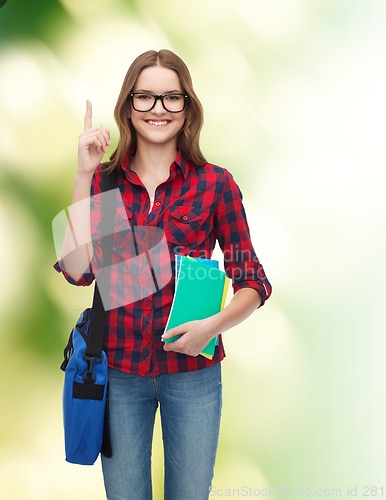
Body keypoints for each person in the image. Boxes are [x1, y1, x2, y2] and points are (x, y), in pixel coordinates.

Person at [54, 49, 272, 500]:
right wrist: (83, 171)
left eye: (171, 98)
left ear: (187, 107)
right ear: (127, 107)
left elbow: (252, 280)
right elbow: (78, 271)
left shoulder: (215, 184)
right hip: (120, 374)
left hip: (193, 374)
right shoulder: (104, 182)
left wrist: (211, 328)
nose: (158, 109)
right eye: (146, 98)